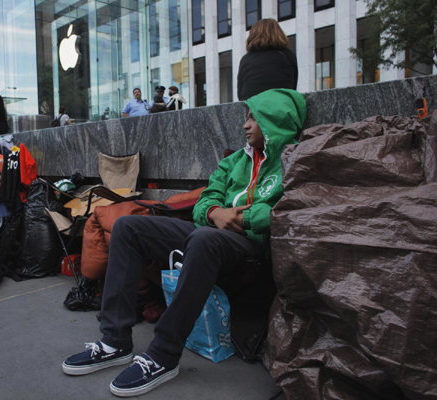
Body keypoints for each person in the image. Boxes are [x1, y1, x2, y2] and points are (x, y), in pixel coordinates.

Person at [62, 89, 307, 397]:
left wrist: (245, 219)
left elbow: (293, 208)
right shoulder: (234, 162)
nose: (245, 125)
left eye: (253, 118)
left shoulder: (296, 161)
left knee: (203, 238)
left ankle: (163, 355)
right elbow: (206, 200)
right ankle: (114, 341)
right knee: (127, 227)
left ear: (274, 121)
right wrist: (216, 212)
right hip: (211, 230)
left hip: (250, 243)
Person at [237, 18, 298, 101]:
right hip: (281, 106)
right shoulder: (288, 55)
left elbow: (240, 94)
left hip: (252, 109)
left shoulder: (246, 59)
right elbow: (292, 87)